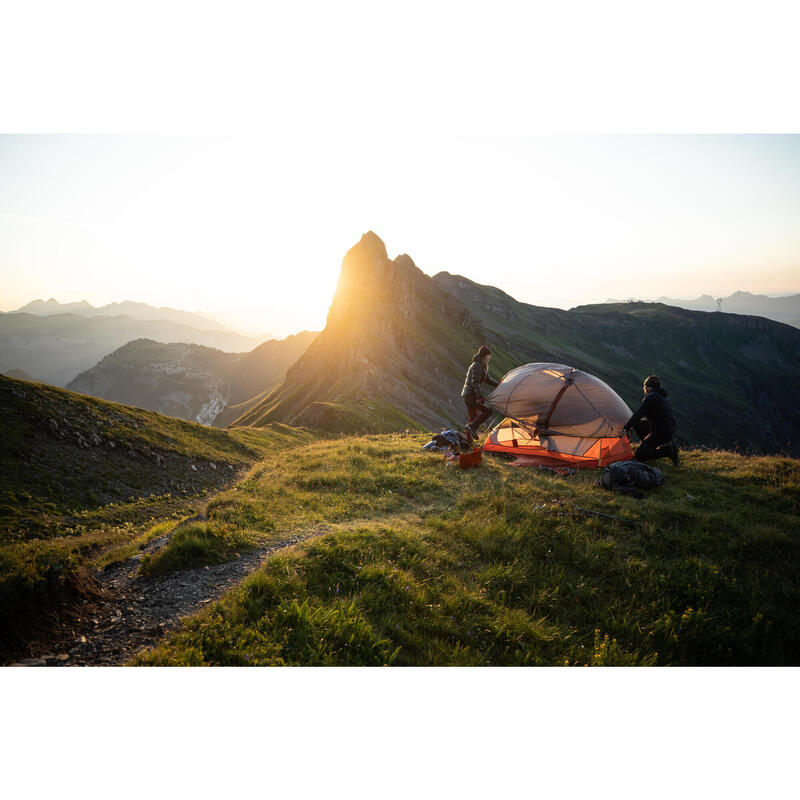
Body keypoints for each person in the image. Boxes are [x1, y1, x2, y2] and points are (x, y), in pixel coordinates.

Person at [623, 375, 680, 465]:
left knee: (640, 456)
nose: (643, 388)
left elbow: (639, 413)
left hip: (660, 431)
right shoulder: (662, 397)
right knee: (638, 423)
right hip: (669, 429)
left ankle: (668, 451)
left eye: (644, 386)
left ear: (648, 387)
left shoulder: (651, 397)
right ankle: (649, 445)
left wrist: (626, 428)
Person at [461, 345, 498, 442]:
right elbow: (475, 383)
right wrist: (479, 397)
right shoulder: (477, 366)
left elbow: (488, 379)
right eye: (488, 357)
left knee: (473, 417)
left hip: (467, 395)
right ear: (484, 357)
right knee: (488, 411)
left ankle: (468, 440)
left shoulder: (480, 366)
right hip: (471, 395)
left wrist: (499, 385)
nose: (489, 359)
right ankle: (472, 427)